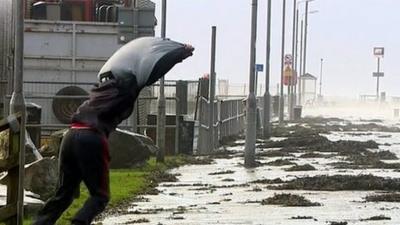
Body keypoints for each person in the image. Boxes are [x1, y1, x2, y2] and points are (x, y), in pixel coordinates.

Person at [33, 37, 194, 225]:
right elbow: (154, 71)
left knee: (64, 194)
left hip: (70, 135)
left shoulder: (100, 88)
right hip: (91, 137)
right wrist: (180, 54)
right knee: (100, 197)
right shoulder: (127, 87)